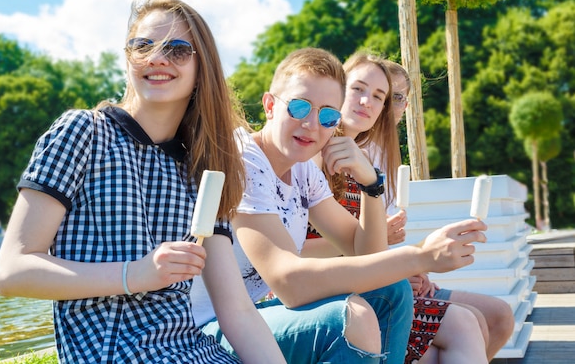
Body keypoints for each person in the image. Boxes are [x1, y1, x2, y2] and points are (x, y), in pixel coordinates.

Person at [0, 0, 285, 364]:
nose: (157, 58)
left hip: (195, 354)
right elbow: (12, 271)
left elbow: (238, 312)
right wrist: (136, 274)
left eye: (177, 49)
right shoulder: (82, 133)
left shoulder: (203, 171)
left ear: (202, 70)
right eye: (142, 45)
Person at [191, 47, 488, 364]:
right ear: (269, 106)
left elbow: (367, 254)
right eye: (300, 107)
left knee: (395, 290)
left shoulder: (302, 168)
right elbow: (289, 283)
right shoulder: (245, 160)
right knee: (351, 319)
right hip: (206, 329)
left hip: (250, 315)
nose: (311, 124)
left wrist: (370, 183)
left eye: (327, 116)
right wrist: (421, 257)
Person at [308, 52, 488, 363]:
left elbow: (369, 252)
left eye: (379, 97)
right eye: (358, 89)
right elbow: (295, 251)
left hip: (361, 284)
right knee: (465, 325)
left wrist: (408, 263)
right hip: (320, 290)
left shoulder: (363, 162)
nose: (367, 102)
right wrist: (411, 260)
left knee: (473, 323)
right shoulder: (310, 153)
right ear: (337, 89)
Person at [381, 59, 515, 361]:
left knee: (499, 316)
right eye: (382, 94)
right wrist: (407, 268)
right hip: (376, 288)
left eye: (400, 97)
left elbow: (381, 244)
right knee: (471, 324)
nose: (390, 104)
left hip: (396, 278)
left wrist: (416, 267)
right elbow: (353, 248)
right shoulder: (344, 157)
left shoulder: (387, 157)